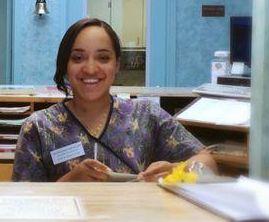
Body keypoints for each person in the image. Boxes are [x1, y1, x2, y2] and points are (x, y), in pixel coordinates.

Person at [12, 18, 216, 182]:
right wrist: (69, 183)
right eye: (77, 58)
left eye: (103, 58)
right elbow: (22, 204)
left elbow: (208, 162)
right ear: (65, 66)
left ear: (117, 65)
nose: (90, 68)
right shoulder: (39, 127)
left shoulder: (146, 115)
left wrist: (177, 169)